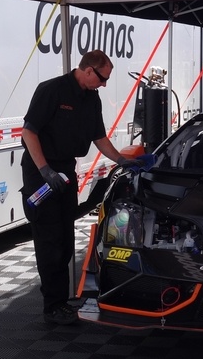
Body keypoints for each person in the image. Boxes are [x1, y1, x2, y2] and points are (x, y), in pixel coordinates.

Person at [21, 49, 142, 325]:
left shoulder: (91, 99)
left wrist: (123, 160)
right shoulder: (51, 90)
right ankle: (52, 304)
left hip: (64, 171)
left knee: (64, 240)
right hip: (42, 173)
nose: (105, 84)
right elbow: (29, 132)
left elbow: (99, 138)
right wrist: (44, 170)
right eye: (102, 78)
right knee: (50, 241)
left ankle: (61, 300)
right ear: (88, 70)